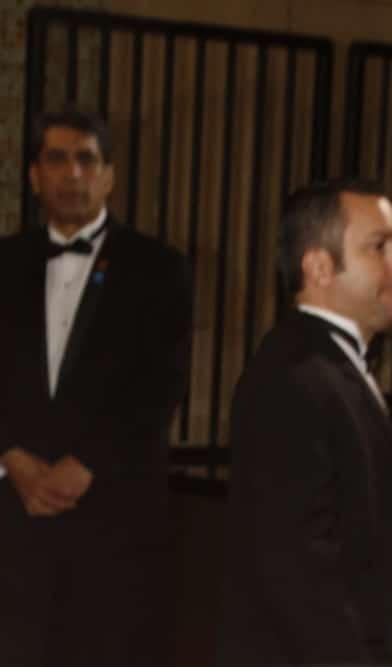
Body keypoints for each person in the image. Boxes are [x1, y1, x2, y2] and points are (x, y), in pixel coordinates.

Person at [0, 110, 193, 667]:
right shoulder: (3, 265)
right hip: (14, 521)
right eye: (57, 158)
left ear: (108, 175)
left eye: (87, 158)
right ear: (33, 175)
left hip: (113, 525)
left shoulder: (158, 269)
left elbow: (161, 384)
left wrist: (85, 464)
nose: (72, 173)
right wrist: (13, 457)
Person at [218, 180, 392, 666]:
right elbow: (298, 573)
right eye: (380, 246)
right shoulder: (291, 377)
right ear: (318, 267)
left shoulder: (325, 366)